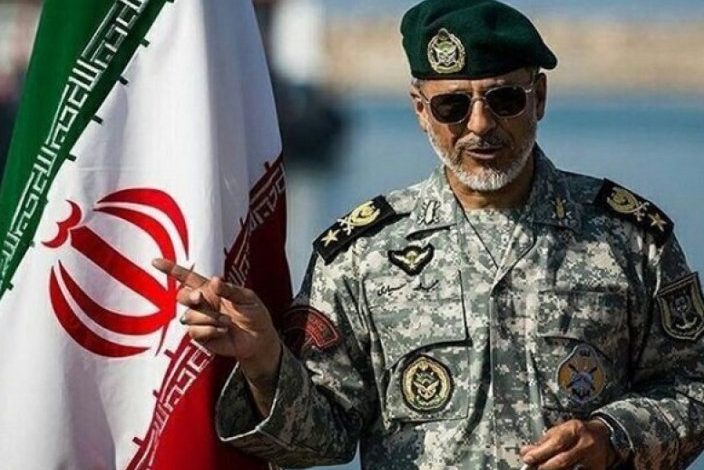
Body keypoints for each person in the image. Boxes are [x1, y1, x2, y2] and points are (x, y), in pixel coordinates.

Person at [154, 0, 704, 468]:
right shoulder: (360, 255)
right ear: (420, 110)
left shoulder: (629, 239)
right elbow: (320, 438)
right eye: (452, 106)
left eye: (504, 100)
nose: (480, 125)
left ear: (538, 98)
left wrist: (612, 436)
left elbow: (694, 387)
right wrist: (264, 359)